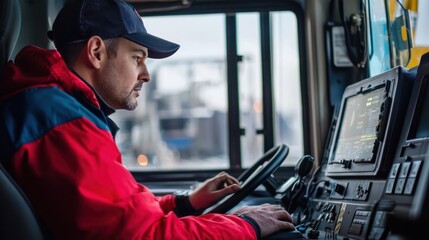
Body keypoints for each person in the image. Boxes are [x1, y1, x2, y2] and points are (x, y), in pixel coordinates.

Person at [0, 0, 295, 239]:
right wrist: (248, 226)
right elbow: (144, 235)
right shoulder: (59, 120)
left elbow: (120, 209)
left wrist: (186, 202)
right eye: (137, 58)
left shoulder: (54, 106)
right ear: (95, 52)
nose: (146, 74)